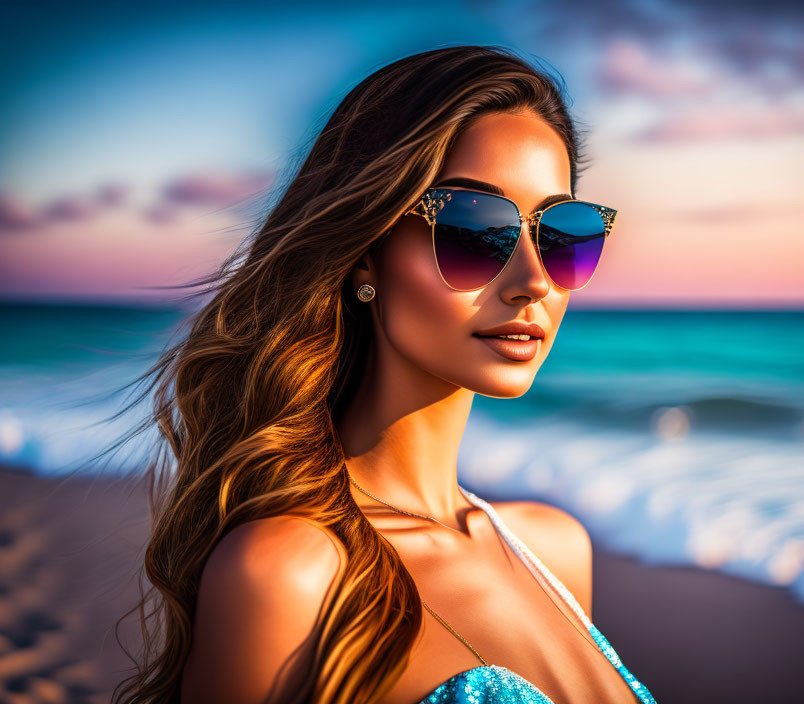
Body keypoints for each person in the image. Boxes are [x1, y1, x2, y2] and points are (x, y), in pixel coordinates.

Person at [112, 45, 657, 704]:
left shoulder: (555, 548)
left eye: (561, 233)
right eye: (474, 229)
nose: (534, 280)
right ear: (366, 254)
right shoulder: (289, 575)